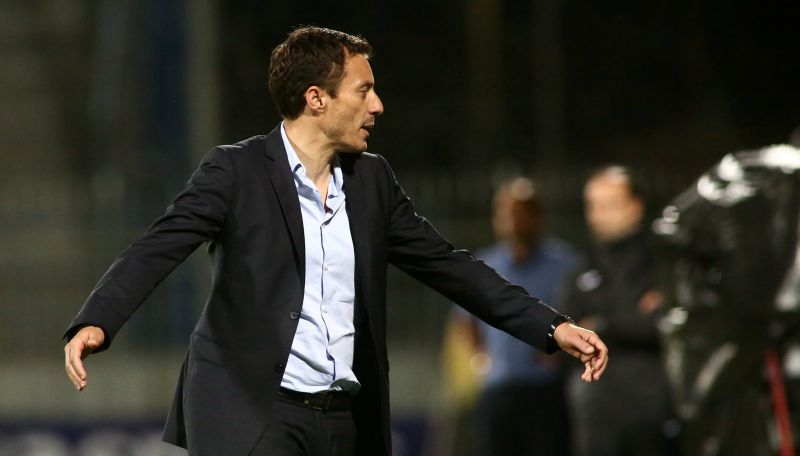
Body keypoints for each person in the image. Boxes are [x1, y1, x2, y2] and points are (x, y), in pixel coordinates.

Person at [63, 26, 608, 456]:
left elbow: (451, 267)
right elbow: (159, 246)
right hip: (252, 412)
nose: (378, 106)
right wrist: (98, 320)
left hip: (345, 421)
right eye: (364, 90)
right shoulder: (236, 171)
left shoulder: (372, 181)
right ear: (316, 98)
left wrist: (551, 326)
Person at [452, 177, 577, 456]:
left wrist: (559, 355)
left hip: (546, 391)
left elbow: (581, 313)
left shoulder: (566, 264)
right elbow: (463, 318)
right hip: (498, 389)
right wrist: (480, 357)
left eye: (520, 212)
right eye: (504, 212)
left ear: (538, 217)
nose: (511, 220)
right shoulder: (485, 263)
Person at [563, 166, 674, 456]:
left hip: (651, 394)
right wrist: (631, 315)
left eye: (609, 204)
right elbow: (567, 326)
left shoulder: (662, 260)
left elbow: (662, 324)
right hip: (594, 399)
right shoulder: (582, 264)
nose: (598, 214)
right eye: (593, 205)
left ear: (636, 206)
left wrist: (602, 323)